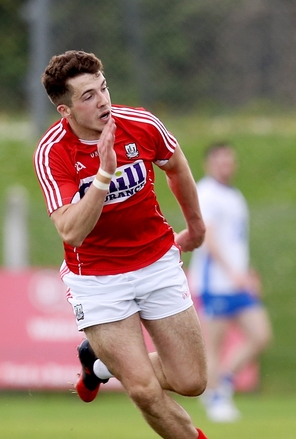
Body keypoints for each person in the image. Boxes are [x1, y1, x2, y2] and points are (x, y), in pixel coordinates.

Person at [33, 50, 210, 439]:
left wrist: (195, 226)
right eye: (87, 96)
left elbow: (175, 164)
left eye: (104, 88)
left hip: (156, 261)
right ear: (65, 111)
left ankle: (98, 365)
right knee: (144, 390)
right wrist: (103, 175)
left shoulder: (140, 123)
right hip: (97, 279)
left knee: (192, 381)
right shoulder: (52, 153)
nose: (103, 101)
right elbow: (70, 231)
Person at [188, 143, 273, 422]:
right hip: (215, 283)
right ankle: (214, 398)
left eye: (230, 160)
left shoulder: (234, 195)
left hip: (238, 282)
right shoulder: (206, 192)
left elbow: (236, 240)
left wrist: (247, 272)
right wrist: (230, 271)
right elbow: (208, 237)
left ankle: (221, 382)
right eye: (221, 160)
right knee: (214, 344)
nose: (227, 165)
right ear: (209, 163)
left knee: (260, 335)